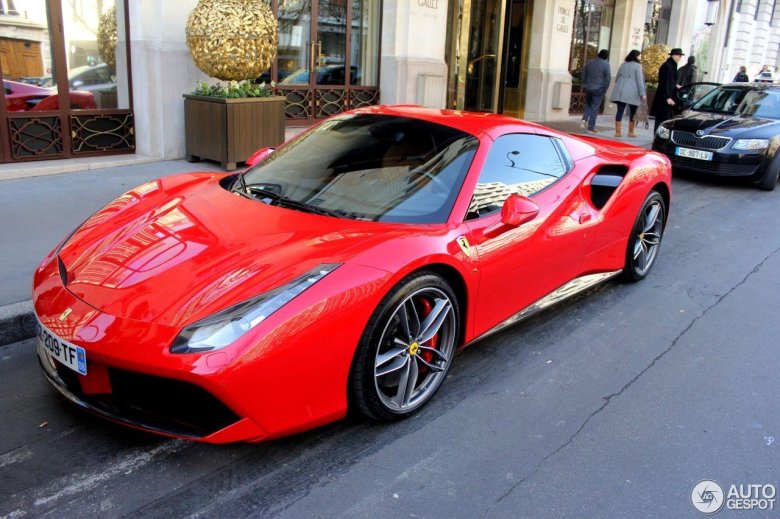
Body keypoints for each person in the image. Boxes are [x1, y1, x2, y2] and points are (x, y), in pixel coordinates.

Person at [609, 49, 646, 138]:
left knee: (620, 111)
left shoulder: (623, 65)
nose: (640, 57)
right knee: (633, 112)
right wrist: (642, 93)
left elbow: (617, 78)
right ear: (636, 56)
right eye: (639, 56)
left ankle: (618, 132)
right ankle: (631, 132)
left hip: (620, 91)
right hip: (632, 92)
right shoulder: (638, 66)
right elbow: (640, 81)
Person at [650, 47, 684, 133]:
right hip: (664, 98)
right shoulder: (667, 66)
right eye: (679, 56)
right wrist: (667, 97)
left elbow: (669, 80)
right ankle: (657, 137)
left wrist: (675, 85)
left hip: (668, 97)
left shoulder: (672, 65)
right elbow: (663, 83)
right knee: (661, 119)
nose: (680, 58)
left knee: (665, 119)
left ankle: (661, 137)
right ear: (674, 55)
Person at [579, 49, 611, 133]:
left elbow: (584, 74)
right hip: (598, 88)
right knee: (595, 108)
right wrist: (605, 88)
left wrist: (584, 84)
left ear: (598, 54)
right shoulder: (606, 65)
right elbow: (608, 79)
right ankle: (591, 127)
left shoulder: (589, 62)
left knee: (589, 105)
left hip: (588, 87)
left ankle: (584, 119)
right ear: (606, 57)